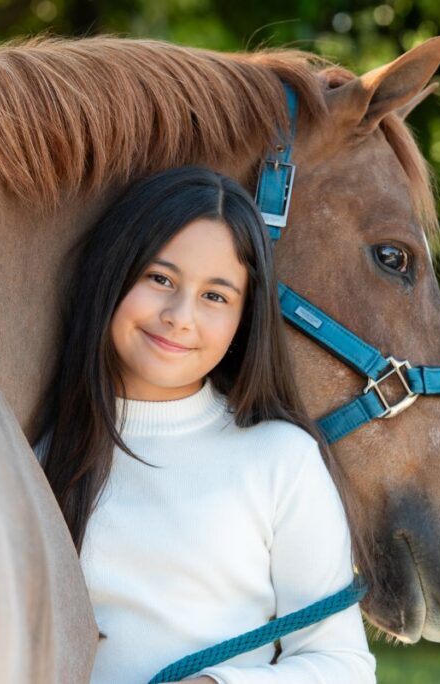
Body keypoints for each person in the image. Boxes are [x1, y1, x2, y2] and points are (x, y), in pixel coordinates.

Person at [35, 166, 376, 683]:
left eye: (215, 296)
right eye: (160, 279)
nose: (180, 315)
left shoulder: (280, 459)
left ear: (244, 318)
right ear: (113, 274)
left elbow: (344, 667)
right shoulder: (41, 457)